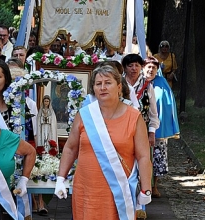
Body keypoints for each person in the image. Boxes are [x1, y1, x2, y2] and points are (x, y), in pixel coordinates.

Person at [54, 65, 152, 219]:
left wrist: (146, 189)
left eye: (108, 83)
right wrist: (60, 178)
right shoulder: (85, 115)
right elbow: (70, 148)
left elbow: (143, 156)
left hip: (118, 190)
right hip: (86, 189)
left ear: (119, 87)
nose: (103, 87)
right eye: (98, 84)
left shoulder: (134, 117)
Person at [122, 53, 160, 218]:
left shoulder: (147, 86)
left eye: (137, 65)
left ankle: (140, 206)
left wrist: (151, 132)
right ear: (125, 68)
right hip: (121, 131)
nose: (134, 68)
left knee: (142, 167)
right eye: (130, 65)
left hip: (141, 131)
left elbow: (153, 113)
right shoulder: (119, 84)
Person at [143, 56, 180, 198]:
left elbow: (168, 104)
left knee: (156, 157)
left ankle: (154, 185)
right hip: (139, 125)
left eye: (154, 67)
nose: (151, 70)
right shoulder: (138, 83)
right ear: (143, 68)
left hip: (157, 127)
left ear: (157, 70)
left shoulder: (162, 83)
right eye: (148, 67)